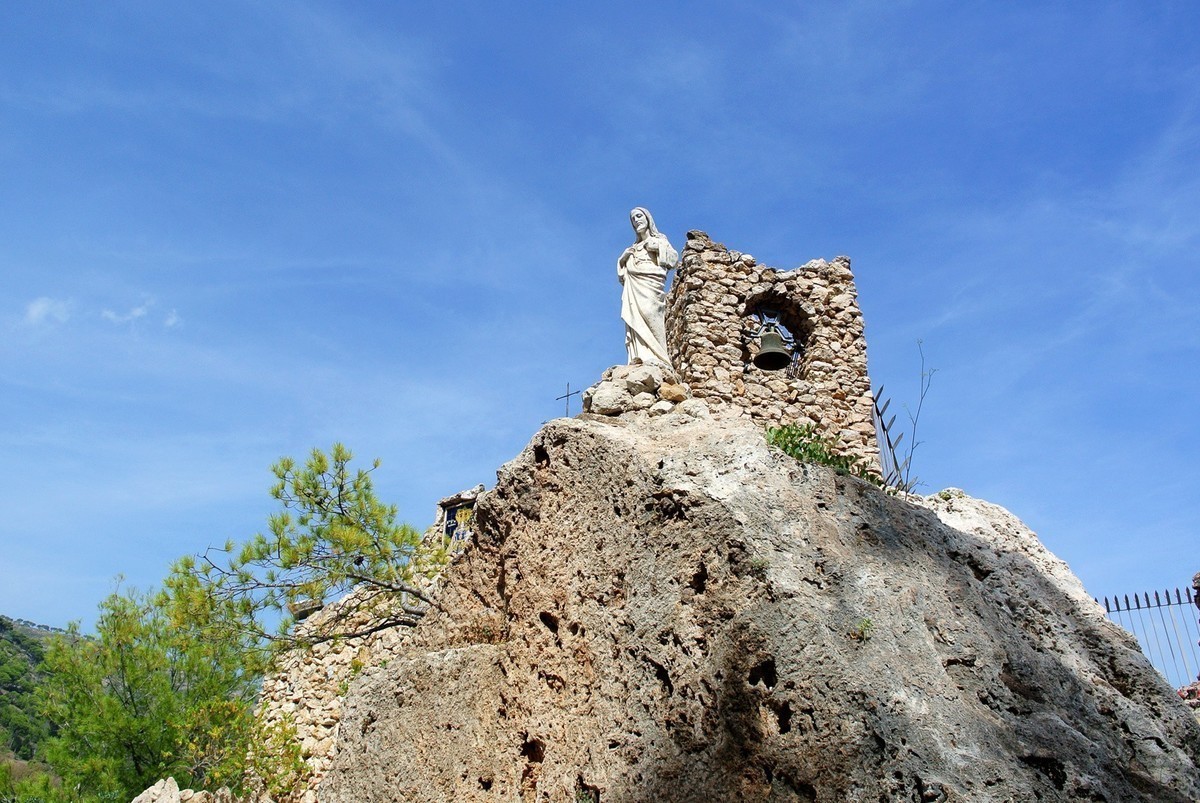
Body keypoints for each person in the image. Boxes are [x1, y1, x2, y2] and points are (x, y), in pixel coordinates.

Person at [617, 207, 678, 365]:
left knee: (652, 314)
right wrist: (623, 259)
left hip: (652, 285)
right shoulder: (632, 248)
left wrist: (657, 247)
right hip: (635, 286)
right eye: (633, 219)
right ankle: (641, 356)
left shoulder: (659, 239)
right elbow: (622, 275)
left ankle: (660, 357)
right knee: (635, 317)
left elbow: (673, 260)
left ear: (648, 218)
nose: (636, 220)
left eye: (639, 216)